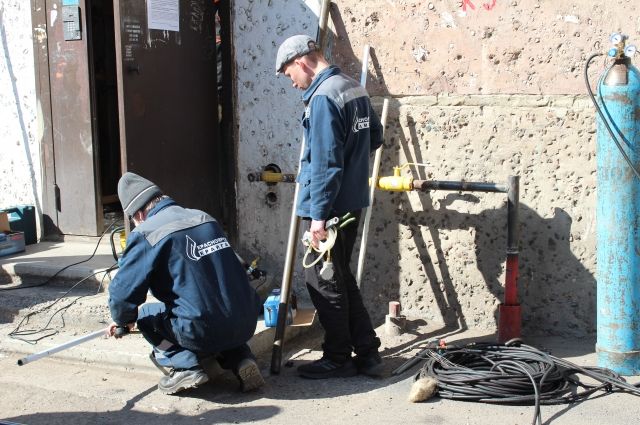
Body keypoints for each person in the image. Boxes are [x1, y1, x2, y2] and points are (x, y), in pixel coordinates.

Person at [275, 35, 384, 379]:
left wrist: (319, 218)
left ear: (301, 62)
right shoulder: (352, 87)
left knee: (322, 281)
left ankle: (337, 357)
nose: (292, 82)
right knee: (341, 276)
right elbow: (375, 136)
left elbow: (324, 165)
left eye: (289, 74)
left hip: (329, 208)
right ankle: (367, 351)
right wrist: (352, 166)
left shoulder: (322, 97)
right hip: (351, 201)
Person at [108, 172, 265, 395]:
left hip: (203, 329)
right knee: (219, 312)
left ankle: (184, 366)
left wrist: (123, 320)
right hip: (246, 319)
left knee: (146, 317)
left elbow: (122, 293)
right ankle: (241, 358)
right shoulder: (203, 217)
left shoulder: (146, 233)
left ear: (140, 214)